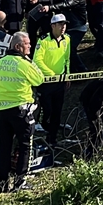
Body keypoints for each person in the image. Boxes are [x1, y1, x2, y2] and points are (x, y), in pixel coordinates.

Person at [0, 31, 45, 193]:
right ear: (17, 46)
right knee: (24, 145)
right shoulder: (24, 64)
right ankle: (20, 181)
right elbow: (39, 79)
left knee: (4, 147)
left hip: (2, 111)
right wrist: (30, 61)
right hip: (21, 110)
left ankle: (2, 182)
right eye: (27, 44)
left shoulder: (0, 63)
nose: (30, 46)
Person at [33, 14, 70, 146]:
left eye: (64, 24)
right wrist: (51, 74)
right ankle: (44, 126)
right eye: (60, 24)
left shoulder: (67, 40)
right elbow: (37, 60)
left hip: (60, 81)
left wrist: (68, 75)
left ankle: (52, 139)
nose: (63, 27)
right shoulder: (43, 40)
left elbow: (67, 59)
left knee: (57, 111)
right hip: (46, 82)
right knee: (47, 109)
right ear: (53, 26)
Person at [48, 0, 88, 66]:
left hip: (78, 27)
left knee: (70, 49)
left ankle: (82, 70)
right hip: (70, 26)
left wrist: (49, 8)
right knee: (66, 48)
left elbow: (67, 4)